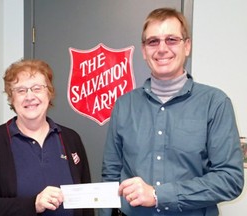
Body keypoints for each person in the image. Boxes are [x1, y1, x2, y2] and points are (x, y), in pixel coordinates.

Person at [99, 7, 244, 216]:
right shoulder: (124, 105)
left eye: (171, 40)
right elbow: (110, 177)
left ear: (187, 46)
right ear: (144, 50)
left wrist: (159, 194)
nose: (162, 49)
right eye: (153, 41)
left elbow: (230, 179)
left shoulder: (215, 103)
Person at [0, 59, 94, 216]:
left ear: (49, 93)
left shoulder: (71, 139)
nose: (29, 96)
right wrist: (33, 204)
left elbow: (86, 204)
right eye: (21, 90)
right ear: (12, 98)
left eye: (37, 88)